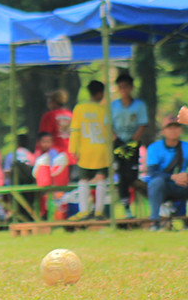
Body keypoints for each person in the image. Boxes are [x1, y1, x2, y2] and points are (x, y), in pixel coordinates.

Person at [66, 81, 110, 221]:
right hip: (102, 148)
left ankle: (84, 211)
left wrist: (73, 148)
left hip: (85, 149)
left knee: (83, 180)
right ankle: (99, 211)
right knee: (101, 179)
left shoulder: (79, 108)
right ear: (100, 93)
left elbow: (75, 129)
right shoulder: (104, 110)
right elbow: (108, 131)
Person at [111, 73, 149, 217]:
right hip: (119, 144)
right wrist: (118, 141)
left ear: (131, 88)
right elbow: (109, 125)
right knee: (122, 175)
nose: (123, 90)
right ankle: (126, 208)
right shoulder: (113, 105)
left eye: (126, 87)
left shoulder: (139, 105)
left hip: (132, 144)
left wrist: (132, 141)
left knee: (131, 175)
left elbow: (142, 124)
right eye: (120, 87)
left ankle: (146, 196)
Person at [146, 115, 188, 231]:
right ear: (163, 131)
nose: (173, 130)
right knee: (157, 182)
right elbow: (152, 172)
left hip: (182, 184)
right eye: (170, 127)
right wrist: (173, 177)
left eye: (176, 127)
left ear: (180, 130)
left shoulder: (186, 147)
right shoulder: (154, 148)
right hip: (162, 186)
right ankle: (154, 221)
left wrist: (185, 176)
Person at [33, 131, 70, 219]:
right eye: (44, 141)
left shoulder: (54, 154)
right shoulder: (36, 154)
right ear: (39, 143)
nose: (47, 144)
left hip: (52, 185)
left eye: (49, 141)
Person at [39, 89, 74, 170]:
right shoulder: (71, 115)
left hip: (55, 157)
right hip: (71, 156)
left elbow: (45, 137)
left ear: (53, 102)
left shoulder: (49, 116)